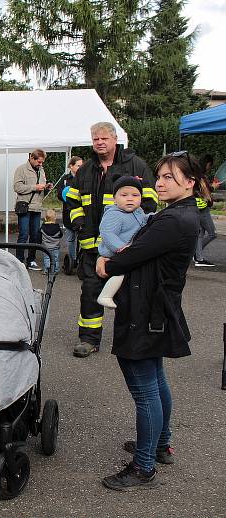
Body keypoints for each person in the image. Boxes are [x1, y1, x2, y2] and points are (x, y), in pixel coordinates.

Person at [95, 152, 201, 491]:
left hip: (146, 312)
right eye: (160, 175)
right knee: (155, 380)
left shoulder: (173, 220)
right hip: (155, 308)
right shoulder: (178, 214)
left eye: (170, 176)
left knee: (145, 390)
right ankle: (159, 445)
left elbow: (134, 254)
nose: (160, 181)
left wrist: (106, 266)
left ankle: (144, 466)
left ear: (190, 182)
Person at [65, 122, 157, 358]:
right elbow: (73, 202)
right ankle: (89, 339)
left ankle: (133, 340)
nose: (99, 142)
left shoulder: (135, 165)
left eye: (104, 138)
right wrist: (80, 226)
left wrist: (131, 235)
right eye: (95, 139)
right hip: (92, 247)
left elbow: (149, 201)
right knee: (90, 293)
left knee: (131, 294)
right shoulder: (85, 170)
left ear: (115, 139)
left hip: (127, 249)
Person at [95, 176, 149, 308]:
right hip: (113, 251)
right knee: (121, 272)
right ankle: (106, 295)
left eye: (135, 195)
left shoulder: (138, 211)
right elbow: (107, 233)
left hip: (125, 250)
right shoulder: (114, 214)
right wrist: (120, 247)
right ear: (115, 198)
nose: (130, 198)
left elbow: (143, 221)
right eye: (124, 195)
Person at [13, 149, 52, 270]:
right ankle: (19, 261)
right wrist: (35, 187)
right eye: (39, 162)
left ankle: (31, 260)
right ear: (32, 158)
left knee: (35, 235)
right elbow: (17, 187)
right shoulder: (21, 169)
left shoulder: (41, 170)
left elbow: (40, 188)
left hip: (37, 207)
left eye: (42, 162)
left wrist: (46, 187)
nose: (41, 164)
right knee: (23, 235)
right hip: (25, 206)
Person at [59, 156, 85, 265]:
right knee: (70, 238)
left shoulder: (85, 178)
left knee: (82, 238)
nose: (80, 168)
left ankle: (81, 259)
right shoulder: (65, 179)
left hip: (82, 213)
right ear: (71, 166)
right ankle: (72, 260)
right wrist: (68, 197)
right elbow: (60, 194)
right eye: (78, 165)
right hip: (68, 213)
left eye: (81, 165)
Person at [193, 154, 217, 267]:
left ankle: (198, 256)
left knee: (200, 233)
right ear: (207, 163)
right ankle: (197, 255)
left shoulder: (195, 174)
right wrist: (213, 187)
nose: (209, 167)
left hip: (197, 207)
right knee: (212, 233)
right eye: (210, 165)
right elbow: (205, 191)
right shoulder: (201, 177)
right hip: (202, 208)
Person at [39, 209, 63, 275]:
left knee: (47, 258)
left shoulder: (43, 227)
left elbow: (39, 235)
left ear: (45, 219)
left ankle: (47, 269)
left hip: (46, 247)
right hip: (56, 246)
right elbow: (61, 235)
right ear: (55, 218)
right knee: (55, 258)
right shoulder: (57, 227)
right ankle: (56, 270)